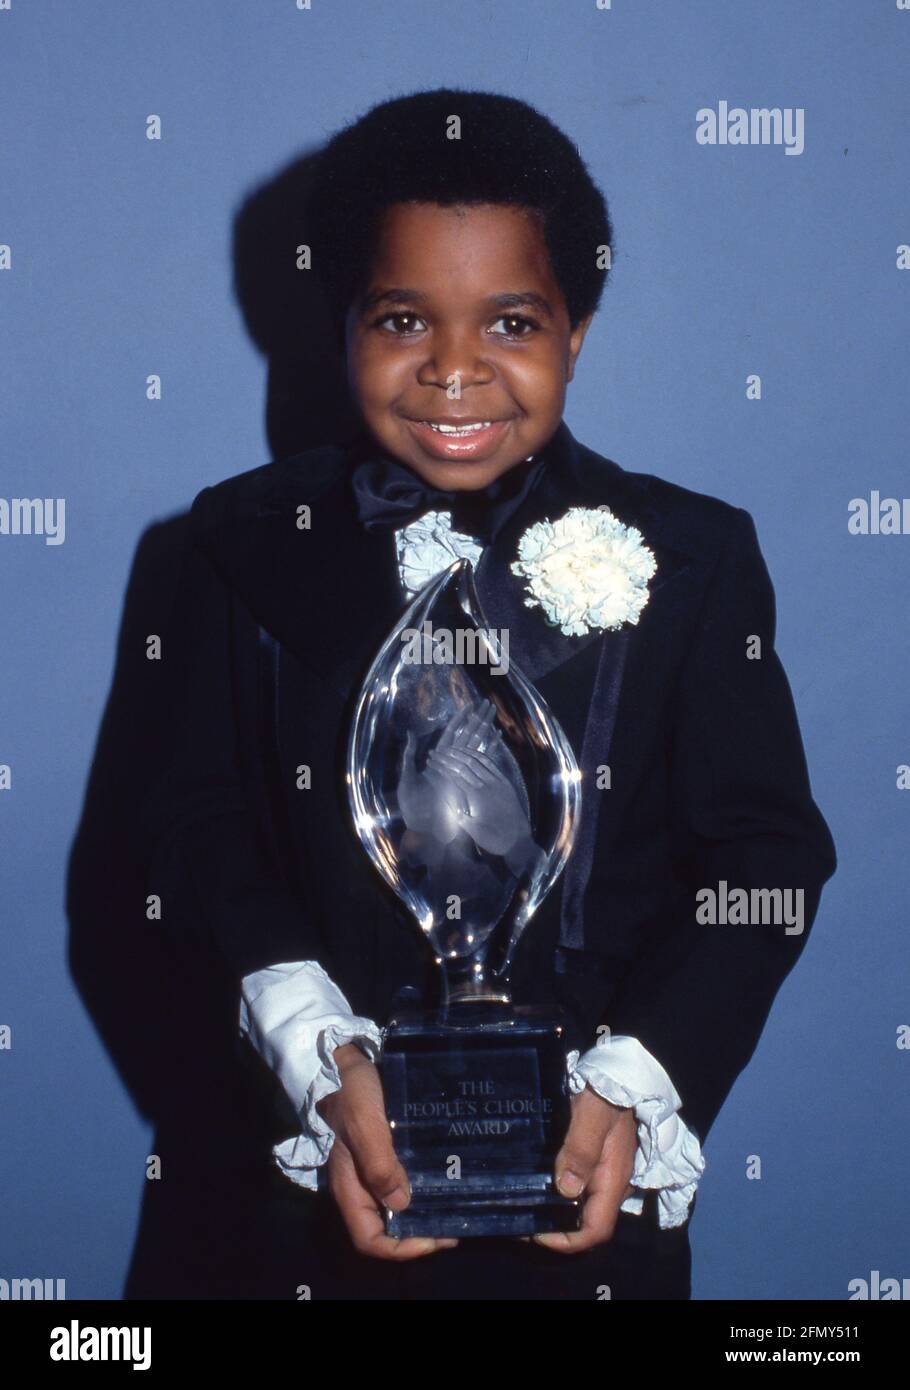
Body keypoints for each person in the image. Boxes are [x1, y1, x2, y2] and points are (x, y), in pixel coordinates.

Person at [124, 88, 836, 1301]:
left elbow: (763, 855)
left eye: (511, 320)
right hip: (289, 1207)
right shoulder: (237, 542)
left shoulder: (696, 557)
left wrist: (636, 1078)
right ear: (343, 325)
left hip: (585, 1206)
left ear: (577, 333)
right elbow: (197, 836)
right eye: (404, 318)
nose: (454, 370)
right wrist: (316, 1053)